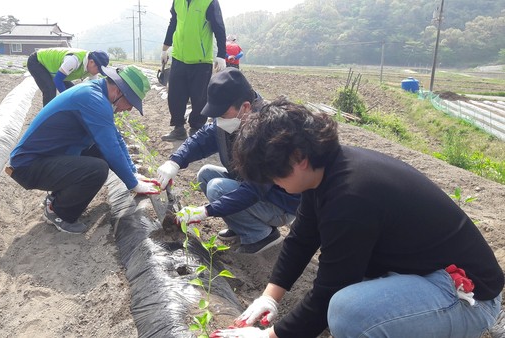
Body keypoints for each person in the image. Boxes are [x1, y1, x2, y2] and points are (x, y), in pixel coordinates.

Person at [211, 99, 504, 337]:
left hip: (467, 295)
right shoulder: (325, 170)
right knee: (348, 296)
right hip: (423, 274)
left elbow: (329, 291)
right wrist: (270, 297)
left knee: (347, 311)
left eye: (275, 175)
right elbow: (301, 238)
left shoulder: (351, 196)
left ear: (299, 157)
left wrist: (269, 336)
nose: (275, 184)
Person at [156, 68, 300, 254]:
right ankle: (241, 225)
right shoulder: (233, 119)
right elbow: (201, 140)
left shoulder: (268, 131)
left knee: (217, 188)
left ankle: (261, 235)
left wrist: (205, 211)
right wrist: (175, 161)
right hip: (253, 188)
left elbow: (253, 190)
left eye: (222, 115)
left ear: (245, 107)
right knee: (205, 174)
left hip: (278, 203)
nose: (218, 120)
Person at [7, 65, 160, 234]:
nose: (130, 109)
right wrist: (134, 184)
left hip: (46, 158)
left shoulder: (96, 94)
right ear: (118, 91)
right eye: (130, 102)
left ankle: (56, 197)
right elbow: (111, 148)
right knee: (97, 169)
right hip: (28, 166)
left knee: (98, 152)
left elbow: (115, 138)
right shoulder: (93, 99)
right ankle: (58, 212)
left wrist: (134, 174)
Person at [160, 0, 227, 142]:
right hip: (179, 57)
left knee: (200, 98)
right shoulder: (178, 2)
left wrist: (221, 54)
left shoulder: (209, 2)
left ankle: (197, 128)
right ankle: (178, 128)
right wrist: (165, 48)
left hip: (201, 60)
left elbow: (219, 28)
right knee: (175, 95)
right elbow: (173, 23)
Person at [27, 47, 109, 106]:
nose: (97, 72)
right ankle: (45, 119)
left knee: (73, 91)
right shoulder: (74, 60)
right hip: (38, 61)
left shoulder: (92, 68)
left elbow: (93, 88)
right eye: (98, 70)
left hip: (56, 70)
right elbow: (58, 80)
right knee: (50, 89)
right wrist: (68, 99)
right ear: (91, 62)